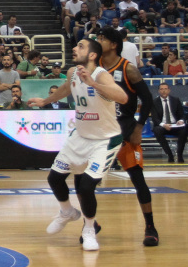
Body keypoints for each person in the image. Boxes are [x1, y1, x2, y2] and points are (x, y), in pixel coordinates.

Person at [27, 37, 129, 251]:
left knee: (86, 186)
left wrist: (93, 84)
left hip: (104, 140)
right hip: (80, 135)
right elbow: (66, 88)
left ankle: (90, 229)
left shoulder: (102, 75)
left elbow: (123, 98)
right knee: (54, 178)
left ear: (92, 55)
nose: (74, 48)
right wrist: (45, 101)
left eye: (80, 46)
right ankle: (67, 211)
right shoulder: (73, 72)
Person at [97, 26, 160, 246]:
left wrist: (139, 127)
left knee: (137, 179)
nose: (98, 40)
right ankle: (90, 223)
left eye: (102, 38)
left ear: (114, 44)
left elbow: (148, 100)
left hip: (124, 129)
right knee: (87, 180)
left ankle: (150, 226)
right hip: (101, 131)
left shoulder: (128, 69)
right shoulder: (94, 69)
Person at [150, 83, 184, 163]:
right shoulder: (154, 102)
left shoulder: (176, 100)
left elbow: (182, 115)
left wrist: (181, 121)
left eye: (165, 89)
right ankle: (170, 155)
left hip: (175, 125)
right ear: (158, 91)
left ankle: (179, 155)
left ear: (169, 90)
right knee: (157, 130)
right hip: (162, 126)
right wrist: (164, 125)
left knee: (184, 131)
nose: (163, 91)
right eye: (161, 89)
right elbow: (155, 119)